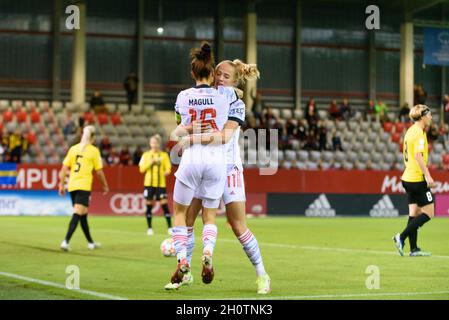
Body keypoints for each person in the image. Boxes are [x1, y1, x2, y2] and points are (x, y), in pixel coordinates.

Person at [182, 58, 271, 294]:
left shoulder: (235, 103)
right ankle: (186, 270)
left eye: (226, 76)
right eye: (217, 74)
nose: (220, 78)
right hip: (207, 164)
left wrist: (191, 138)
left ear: (232, 81)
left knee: (237, 225)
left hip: (229, 167)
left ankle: (262, 274)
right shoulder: (210, 95)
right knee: (189, 218)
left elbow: (225, 136)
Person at [164, 42, 238, 290]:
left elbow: (176, 131)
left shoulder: (183, 97)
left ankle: (183, 260)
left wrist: (188, 128)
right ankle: (208, 252)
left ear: (193, 73)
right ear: (212, 72)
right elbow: (237, 92)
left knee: (180, 213)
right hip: (216, 160)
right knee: (209, 216)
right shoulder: (224, 95)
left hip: (192, 157)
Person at [58, 126, 109, 252]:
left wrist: (61, 184)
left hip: (72, 185)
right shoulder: (94, 151)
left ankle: (91, 243)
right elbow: (99, 172)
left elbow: (64, 169)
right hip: (83, 185)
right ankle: (65, 241)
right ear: (93, 138)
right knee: (78, 213)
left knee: (83, 214)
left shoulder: (73, 149)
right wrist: (105, 185)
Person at [393, 104, 434, 257]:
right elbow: (418, 156)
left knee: (414, 214)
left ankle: (414, 249)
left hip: (407, 177)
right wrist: (428, 175)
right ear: (422, 116)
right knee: (429, 213)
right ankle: (401, 237)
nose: (430, 117)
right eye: (429, 114)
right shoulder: (418, 132)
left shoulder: (411, 130)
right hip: (417, 178)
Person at [138, 134, 172, 236]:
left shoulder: (164, 155)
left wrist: (166, 172)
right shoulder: (145, 155)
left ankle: (170, 228)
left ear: (159, 144)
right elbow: (141, 169)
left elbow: (168, 169)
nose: (154, 145)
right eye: (153, 143)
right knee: (149, 205)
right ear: (150, 144)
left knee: (164, 204)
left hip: (160, 184)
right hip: (149, 184)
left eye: (156, 143)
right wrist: (151, 162)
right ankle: (149, 228)